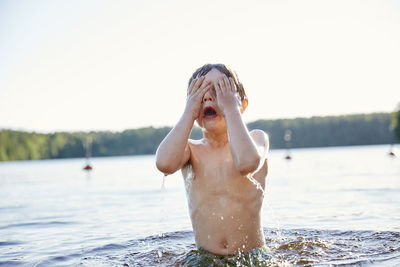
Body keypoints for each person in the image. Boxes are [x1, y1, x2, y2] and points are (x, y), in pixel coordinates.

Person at [155, 64, 270, 265]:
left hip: (253, 258)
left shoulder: (256, 139)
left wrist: (231, 108)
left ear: (242, 104)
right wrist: (189, 112)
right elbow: (164, 164)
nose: (208, 97)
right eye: (200, 93)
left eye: (220, 91)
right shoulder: (190, 150)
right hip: (205, 261)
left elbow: (246, 164)